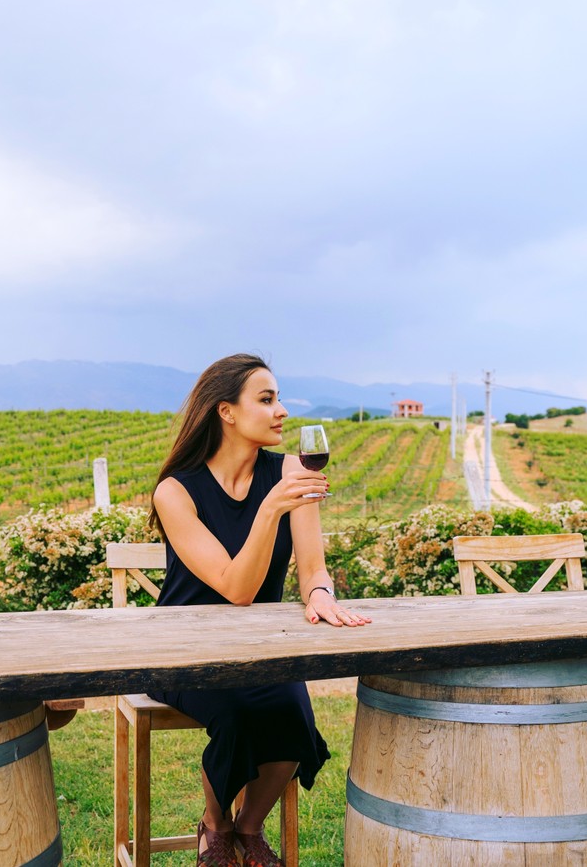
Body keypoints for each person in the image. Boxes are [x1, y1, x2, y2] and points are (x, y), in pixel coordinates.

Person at [148, 353, 371, 867]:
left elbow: (312, 567)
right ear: (226, 411)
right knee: (237, 712)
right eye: (266, 400)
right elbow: (237, 589)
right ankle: (215, 824)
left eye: (279, 399)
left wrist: (320, 594)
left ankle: (248, 829)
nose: (282, 411)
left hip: (260, 644)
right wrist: (271, 508)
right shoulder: (175, 491)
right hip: (181, 646)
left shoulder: (291, 470)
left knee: (291, 708)